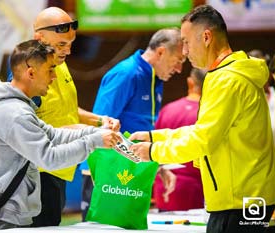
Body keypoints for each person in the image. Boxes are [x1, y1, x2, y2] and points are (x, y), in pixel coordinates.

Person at [129, 5, 275, 233]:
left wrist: (152, 152)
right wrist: (153, 136)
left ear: (206, 37)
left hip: (239, 201)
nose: (185, 51)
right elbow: (203, 130)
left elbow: (203, 140)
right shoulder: (230, 74)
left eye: (186, 42)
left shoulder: (227, 79)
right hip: (244, 197)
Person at [0, 40, 121, 230]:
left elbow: (53, 134)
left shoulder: (19, 107)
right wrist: (94, 141)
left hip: (12, 212)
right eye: (50, 70)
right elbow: (49, 158)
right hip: (7, 216)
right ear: (31, 73)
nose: (53, 77)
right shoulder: (14, 113)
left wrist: (95, 132)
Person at [18, 7, 119, 227]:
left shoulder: (58, 66)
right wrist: (92, 134)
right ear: (39, 38)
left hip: (59, 171)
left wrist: (99, 120)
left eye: (70, 44)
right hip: (37, 176)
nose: (68, 51)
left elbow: (68, 110)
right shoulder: (29, 75)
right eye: (61, 45)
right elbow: (30, 129)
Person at [80, 28, 186, 220]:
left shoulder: (155, 79)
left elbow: (142, 130)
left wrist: (159, 166)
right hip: (108, 173)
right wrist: (102, 176)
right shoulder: (126, 74)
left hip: (133, 171)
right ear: (161, 52)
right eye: (178, 60)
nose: (179, 69)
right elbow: (99, 125)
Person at [153, 68, 205, 211]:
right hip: (195, 189)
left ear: (190, 83)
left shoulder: (167, 109)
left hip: (162, 186)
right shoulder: (207, 115)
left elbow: (153, 147)